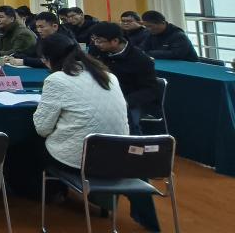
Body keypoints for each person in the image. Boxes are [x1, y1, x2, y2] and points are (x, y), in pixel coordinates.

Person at [33, 33, 160, 231]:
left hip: (83, 160)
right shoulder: (108, 75)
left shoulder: (56, 80)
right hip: (119, 155)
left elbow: (42, 129)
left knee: (31, 144)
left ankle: (46, 194)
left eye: (43, 59)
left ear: (49, 58)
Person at [88, 22, 159, 135]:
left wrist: (124, 101)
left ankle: (134, 142)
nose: (96, 44)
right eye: (94, 40)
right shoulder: (97, 50)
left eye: (99, 41)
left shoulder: (141, 60)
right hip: (100, 97)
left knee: (128, 125)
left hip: (129, 101)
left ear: (115, 41)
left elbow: (150, 91)